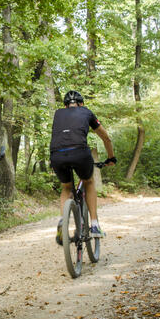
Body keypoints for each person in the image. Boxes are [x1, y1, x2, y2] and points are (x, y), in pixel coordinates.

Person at [49, 90, 115, 243]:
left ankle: (62, 222)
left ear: (65, 106)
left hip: (56, 155)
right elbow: (106, 137)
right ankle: (94, 225)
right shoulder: (86, 112)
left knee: (66, 187)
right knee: (89, 181)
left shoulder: (58, 114)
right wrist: (111, 157)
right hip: (80, 152)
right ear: (82, 104)